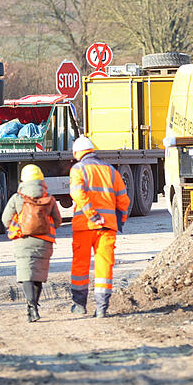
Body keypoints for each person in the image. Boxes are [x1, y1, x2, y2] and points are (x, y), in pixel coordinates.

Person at [68, 136, 130, 318]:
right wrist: (121, 221)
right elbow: (123, 200)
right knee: (104, 266)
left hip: (84, 226)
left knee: (80, 265)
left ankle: (79, 305)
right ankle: (102, 308)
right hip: (107, 228)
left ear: (77, 153)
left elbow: (77, 194)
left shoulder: (78, 169)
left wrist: (92, 215)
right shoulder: (110, 171)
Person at [1, 164, 61, 322]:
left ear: (23, 180)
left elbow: (5, 219)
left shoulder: (17, 198)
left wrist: (18, 226)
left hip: (23, 240)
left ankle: (31, 307)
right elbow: (58, 221)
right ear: (41, 179)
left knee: (26, 274)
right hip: (44, 242)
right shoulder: (49, 199)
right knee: (38, 276)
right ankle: (35, 304)